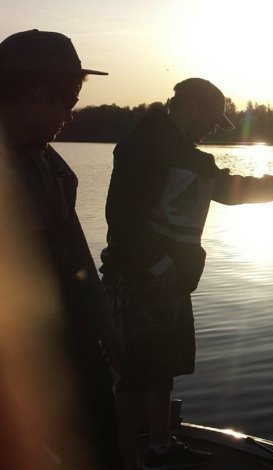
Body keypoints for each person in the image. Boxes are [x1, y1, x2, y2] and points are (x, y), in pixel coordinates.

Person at [100, 77, 273, 469]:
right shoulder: (142, 146)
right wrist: (155, 264)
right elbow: (122, 215)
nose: (210, 129)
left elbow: (233, 190)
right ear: (189, 106)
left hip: (172, 286)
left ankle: (160, 447)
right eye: (211, 120)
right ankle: (123, 458)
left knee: (161, 369)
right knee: (133, 377)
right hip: (138, 282)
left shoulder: (197, 161)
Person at [0, 30, 123, 469]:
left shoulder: (50, 165)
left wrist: (103, 324)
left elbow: (73, 250)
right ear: (38, 93)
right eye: (68, 102)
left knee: (99, 443)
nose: (68, 118)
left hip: (70, 348)